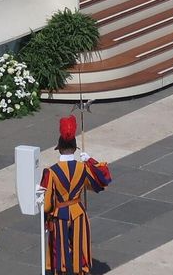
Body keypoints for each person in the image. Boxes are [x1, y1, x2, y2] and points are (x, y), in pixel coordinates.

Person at [40, 116, 111, 275]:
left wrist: (46, 219)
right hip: (78, 212)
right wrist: (90, 160)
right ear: (75, 148)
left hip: (60, 214)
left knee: (60, 252)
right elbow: (102, 181)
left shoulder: (50, 172)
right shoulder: (83, 168)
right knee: (81, 249)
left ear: (59, 148)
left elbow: (47, 204)